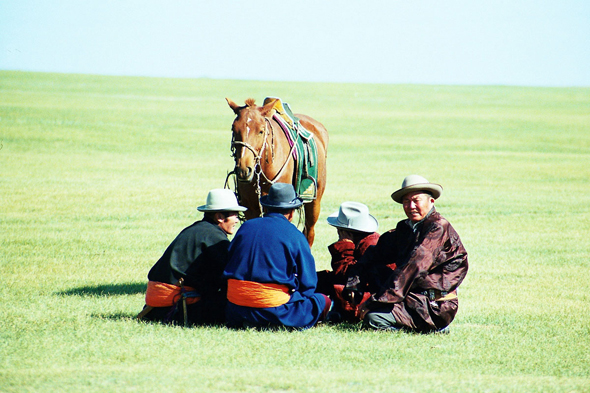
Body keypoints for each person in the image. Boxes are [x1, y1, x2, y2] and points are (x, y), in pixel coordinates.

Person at [345, 175, 468, 333]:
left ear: (431, 201)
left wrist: (374, 302)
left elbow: (414, 268)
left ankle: (434, 328)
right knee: (374, 270)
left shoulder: (437, 228)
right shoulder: (406, 228)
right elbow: (375, 254)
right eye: (406, 201)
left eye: (416, 200)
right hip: (412, 298)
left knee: (374, 319)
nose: (411, 206)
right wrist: (354, 283)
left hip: (433, 306)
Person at [223, 182, 330, 329]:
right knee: (322, 300)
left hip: (235, 309)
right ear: (292, 213)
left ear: (266, 207)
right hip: (274, 310)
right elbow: (308, 284)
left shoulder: (246, 227)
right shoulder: (295, 235)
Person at [137, 189, 247, 326]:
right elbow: (230, 274)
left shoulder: (196, 229)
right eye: (235, 215)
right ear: (219, 216)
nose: (237, 220)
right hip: (176, 308)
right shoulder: (215, 237)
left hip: (157, 308)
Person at [316, 201, 388, 323]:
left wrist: (344, 246)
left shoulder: (369, 245)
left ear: (344, 231)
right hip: (365, 288)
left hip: (371, 295)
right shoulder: (364, 240)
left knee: (336, 286)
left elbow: (348, 276)